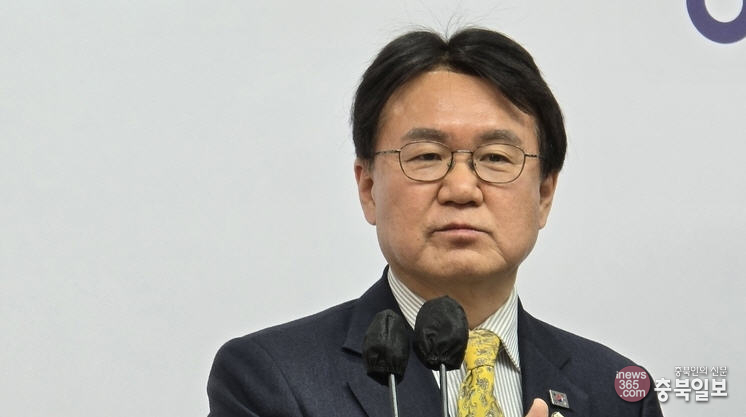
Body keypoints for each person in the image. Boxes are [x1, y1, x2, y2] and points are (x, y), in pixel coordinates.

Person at [207, 27, 663, 417]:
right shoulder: (272, 378)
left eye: (496, 157)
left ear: (544, 194)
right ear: (368, 187)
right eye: (427, 156)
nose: (461, 188)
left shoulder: (617, 392)